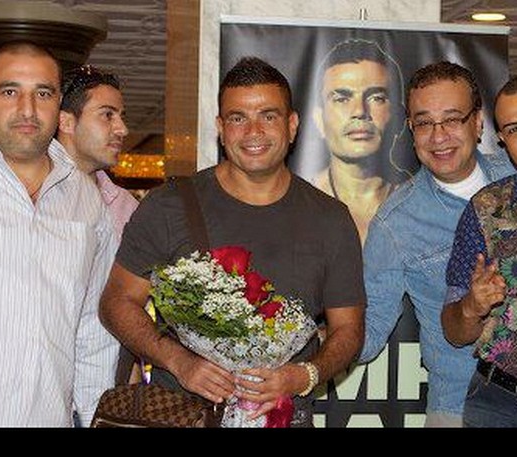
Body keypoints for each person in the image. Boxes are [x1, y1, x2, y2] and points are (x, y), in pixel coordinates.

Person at [99, 56, 366, 427]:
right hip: (180, 416)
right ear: (221, 129)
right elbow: (116, 302)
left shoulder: (330, 219)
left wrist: (301, 376)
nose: (253, 131)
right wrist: (179, 362)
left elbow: (349, 330)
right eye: (238, 118)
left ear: (291, 125)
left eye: (268, 116)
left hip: (285, 417)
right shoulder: (168, 206)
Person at [0, 41, 119, 427]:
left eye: (42, 93)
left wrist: (93, 418)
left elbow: (93, 332)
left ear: (59, 104)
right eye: (10, 91)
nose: (27, 109)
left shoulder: (86, 199)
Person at [360, 61, 514, 427]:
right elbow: (369, 330)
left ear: (478, 123)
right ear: (411, 130)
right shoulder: (394, 224)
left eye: (452, 119)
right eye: (424, 123)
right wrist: (298, 342)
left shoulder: (511, 174)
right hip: (459, 405)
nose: (438, 136)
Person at [441, 75, 517, 427]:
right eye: (514, 129)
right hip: (499, 403)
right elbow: (454, 331)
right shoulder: (486, 208)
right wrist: (472, 306)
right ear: (502, 139)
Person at [56, 64, 139, 385]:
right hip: (41, 383)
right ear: (66, 121)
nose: (122, 129)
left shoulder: (126, 208)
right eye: (107, 115)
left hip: (106, 386)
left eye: (121, 116)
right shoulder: (32, 196)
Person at [311, 39, 409, 244]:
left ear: (400, 117)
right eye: (341, 99)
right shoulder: (297, 204)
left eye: (377, 98)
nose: (359, 111)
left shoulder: (424, 203)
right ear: (319, 120)